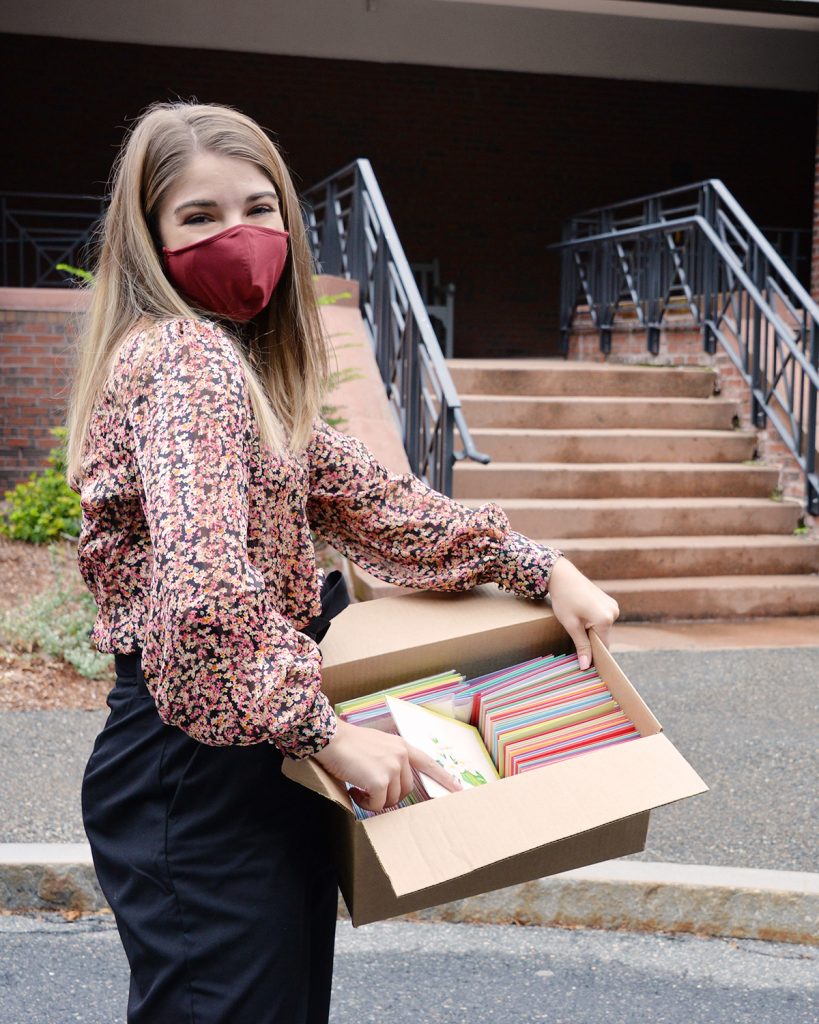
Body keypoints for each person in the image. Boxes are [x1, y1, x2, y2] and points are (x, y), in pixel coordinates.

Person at [65, 99, 620, 1024]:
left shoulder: (245, 373)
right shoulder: (186, 358)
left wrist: (540, 567)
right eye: (199, 217)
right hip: (201, 758)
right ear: (149, 241)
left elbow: (380, 507)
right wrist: (321, 732)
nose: (237, 236)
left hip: (240, 748)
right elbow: (201, 599)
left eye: (258, 207)